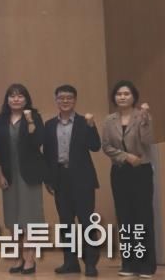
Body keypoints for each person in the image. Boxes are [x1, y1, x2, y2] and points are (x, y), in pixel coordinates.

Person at [43, 85, 100, 277]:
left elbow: (95, 146)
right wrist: (48, 179)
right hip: (60, 178)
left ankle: (90, 262)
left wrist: (92, 126)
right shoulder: (50, 125)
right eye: (61, 98)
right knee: (66, 222)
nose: (65, 101)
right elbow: (47, 154)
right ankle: (70, 262)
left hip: (82, 178)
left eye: (69, 98)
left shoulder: (85, 122)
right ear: (56, 100)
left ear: (75, 100)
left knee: (86, 221)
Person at [102, 80, 156, 278]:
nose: (122, 97)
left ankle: (146, 265)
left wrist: (144, 121)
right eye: (119, 94)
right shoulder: (109, 120)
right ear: (114, 97)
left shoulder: (143, 116)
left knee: (143, 216)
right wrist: (126, 157)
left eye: (126, 94)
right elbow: (106, 146)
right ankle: (128, 263)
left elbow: (147, 141)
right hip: (120, 171)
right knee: (124, 217)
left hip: (141, 171)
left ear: (134, 97)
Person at [0, 84, 46, 275]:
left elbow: (38, 142)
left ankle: (30, 260)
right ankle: (18, 258)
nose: (16, 99)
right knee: (13, 218)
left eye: (20, 96)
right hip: (9, 175)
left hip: (29, 175)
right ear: (7, 100)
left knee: (30, 218)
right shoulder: (0, 120)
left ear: (26, 99)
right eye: (12, 96)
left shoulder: (34, 117)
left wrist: (30, 121)